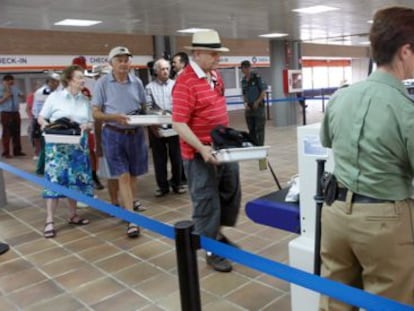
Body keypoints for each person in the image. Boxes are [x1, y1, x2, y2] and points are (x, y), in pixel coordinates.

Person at [319, 6, 414, 310]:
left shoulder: (341, 96)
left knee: (335, 301)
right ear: (406, 51)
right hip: (384, 223)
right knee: (389, 303)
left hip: (335, 214)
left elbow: (327, 140)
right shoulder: (405, 110)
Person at [172, 30, 241, 273]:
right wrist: (201, 147)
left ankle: (216, 235)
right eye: (214, 54)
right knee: (207, 202)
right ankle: (212, 251)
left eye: (219, 53)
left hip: (222, 149)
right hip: (199, 155)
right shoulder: (185, 82)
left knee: (229, 194)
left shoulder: (214, 76)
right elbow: (179, 122)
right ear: (197, 53)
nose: (218, 58)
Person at [92, 46, 148, 238]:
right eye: (120, 60)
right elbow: (96, 113)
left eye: (126, 60)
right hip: (114, 134)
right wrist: (113, 117)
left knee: (133, 176)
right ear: (111, 63)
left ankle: (129, 207)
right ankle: (132, 219)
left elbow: (143, 106)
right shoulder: (102, 83)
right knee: (122, 176)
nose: (124, 64)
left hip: (136, 134)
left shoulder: (137, 82)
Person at [38, 65, 93, 238]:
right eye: (79, 77)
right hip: (57, 148)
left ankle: (73, 215)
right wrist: (46, 126)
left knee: (74, 181)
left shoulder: (85, 100)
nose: (83, 80)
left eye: (83, 77)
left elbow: (91, 123)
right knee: (54, 182)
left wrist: (87, 125)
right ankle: (49, 220)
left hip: (78, 146)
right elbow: (41, 117)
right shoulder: (55, 97)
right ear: (69, 79)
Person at [146, 58, 185, 197]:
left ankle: (177, 183)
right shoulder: (149, 87)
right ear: (156, 71)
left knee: (176, 157)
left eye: (167, 69)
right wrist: (152, 126)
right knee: (159, 158)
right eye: (162, 69)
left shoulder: (176, 85)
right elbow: (148, 108)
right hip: (156, 127)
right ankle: (162, 186)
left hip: (174, 126)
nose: (165, 71)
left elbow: (181, 104)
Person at [72, 56, 104, 191]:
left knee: (92, 150)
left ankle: (93, 175)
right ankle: (77, 178)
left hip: (90, 122)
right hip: (73, 124)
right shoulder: (67, 85)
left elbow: (98, 103)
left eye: (81, 67)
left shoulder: (92, 83)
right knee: (75, 151)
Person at [240, 60, 267, 169]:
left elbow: (263, 92)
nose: (245, 70)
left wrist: (256, 102)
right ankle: (254, 150)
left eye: (247, 68)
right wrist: (246, 103)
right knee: (251, 130)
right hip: (249, 108)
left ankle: (261, 154)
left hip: (258, 108)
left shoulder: (257, 77)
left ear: (249, 68)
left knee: (260, 130)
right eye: (243, 68)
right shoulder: (243, 80)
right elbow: (244, 93)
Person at [32, 73, 61, 174]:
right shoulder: (43, 92)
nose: (57, 84)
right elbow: (42, 110)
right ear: (49, 82)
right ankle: (40, 169)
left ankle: (47, 167)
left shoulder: (55, 92)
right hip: (44, 121)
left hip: (50, 120)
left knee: (50, 145)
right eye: (54, 81)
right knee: (46, 146)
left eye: (58, 82)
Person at [0, 74, 26, 158]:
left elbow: (22, 95)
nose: (12, 83)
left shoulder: (15, 88)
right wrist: (5, 97)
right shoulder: (1, 89)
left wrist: (23, 96)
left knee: (17, 131)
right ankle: (6, 152)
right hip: (6, 113)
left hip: (15, 112)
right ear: (5, 81)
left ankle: (17, 151)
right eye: (10, 81)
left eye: (12, 81)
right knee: (6, 132)